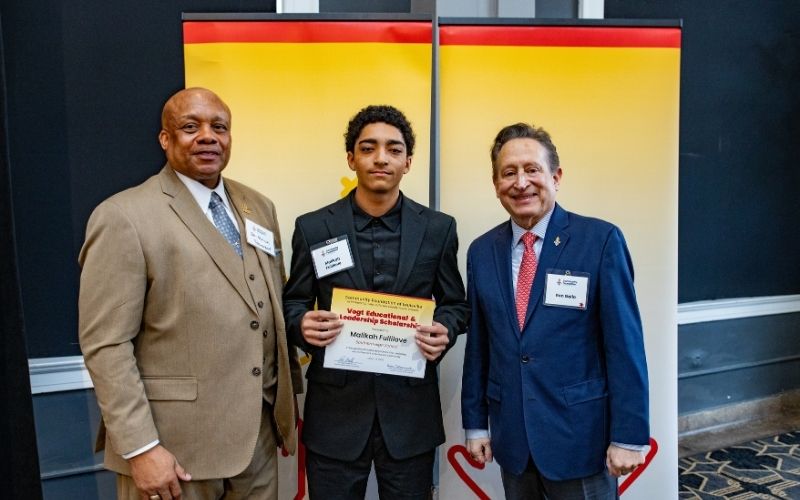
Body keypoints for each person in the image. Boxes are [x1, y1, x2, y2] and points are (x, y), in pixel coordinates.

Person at [79, 87, 300, 500]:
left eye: (219, 127)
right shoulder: (123, 216)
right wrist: (141, 449)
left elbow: (264, 306)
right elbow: (106, 344)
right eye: (190, 127)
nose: (208, 136)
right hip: (174, 452)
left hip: (258, 445)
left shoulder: (259, 207)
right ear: (165, 139)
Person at [283, 105, 469, 499]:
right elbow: (292, 301)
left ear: (408, 162)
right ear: (351, 159)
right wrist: (301, 324)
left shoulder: (438, 229)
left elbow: (456, 303)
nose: (381, 157)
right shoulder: (314, 227)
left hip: (409, 415)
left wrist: (445, 330)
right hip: (335, 415)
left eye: (393, 149)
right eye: (368, 148)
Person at [461, 123, 649, 499]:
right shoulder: (481, 252)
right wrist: (476, 425)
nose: (521, 182)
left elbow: (624, 346)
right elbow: (479, 347)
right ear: (496, 184)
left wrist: (629, 436)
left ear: (556, 176)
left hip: (581, 440)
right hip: (513, 440)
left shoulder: (600, 240)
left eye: (532, 169)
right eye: (508, 172)